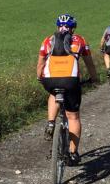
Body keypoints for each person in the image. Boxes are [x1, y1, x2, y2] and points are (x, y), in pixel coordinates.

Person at [37, 14, 98, 166]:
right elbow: (90, 64)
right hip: (71, 81)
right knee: (73, 117)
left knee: (53, 93)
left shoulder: (48, 40)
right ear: (73, 28)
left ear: (58, 26)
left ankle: (51, 123)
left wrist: (40, 78)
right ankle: (72, 153)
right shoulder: (80, 40)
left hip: (50, 80)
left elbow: (40, 64)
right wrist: (94, 78)